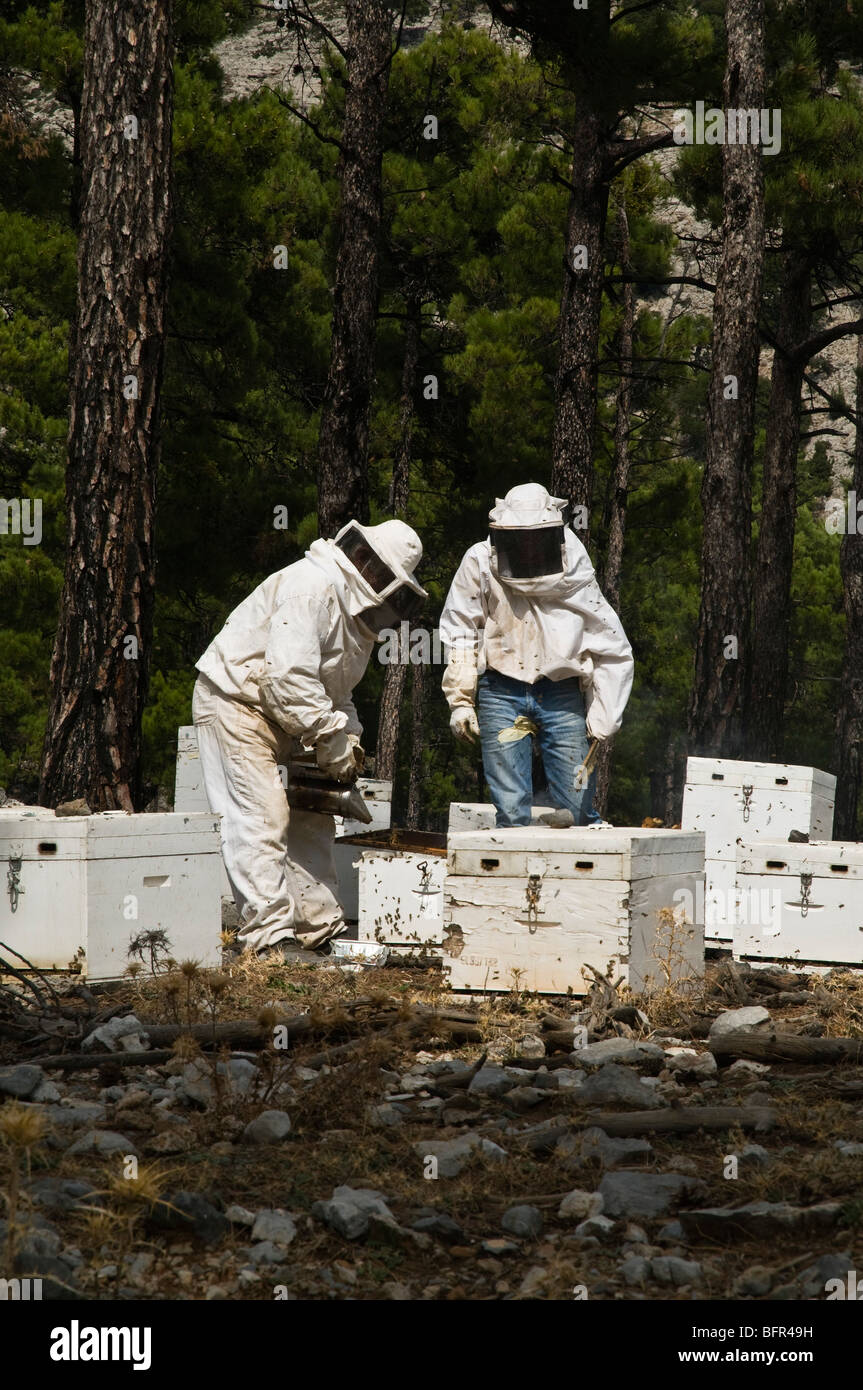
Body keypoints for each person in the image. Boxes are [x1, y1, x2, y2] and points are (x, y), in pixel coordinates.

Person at [193, 519, 427, 958]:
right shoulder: (311, 588)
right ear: (365, 561)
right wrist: (327, 733)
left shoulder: (354, 620)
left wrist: (349, 738)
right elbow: (288, 678)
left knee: (313, 816)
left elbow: (337, 691)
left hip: (292, 713)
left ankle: (318, 930)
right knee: (262, 816)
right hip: (239, 702)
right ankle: (268, 940)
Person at [439, 483, 633, 828]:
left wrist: (604, 715)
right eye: (520, 540)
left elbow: (608, 641)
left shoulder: (572, 564)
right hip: (500, 689)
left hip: (560, 690)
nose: (528, 548)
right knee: (511, 812)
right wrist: (461, 700)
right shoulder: (480, 561)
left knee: (577, 810)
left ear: (552, 533)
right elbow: (461, 628)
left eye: (535, 539)